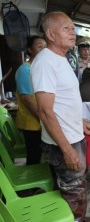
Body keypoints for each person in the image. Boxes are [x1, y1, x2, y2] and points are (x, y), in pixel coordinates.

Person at [31, 11, 90, 222]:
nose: (73, 33)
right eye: (66, 28)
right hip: (63, 142)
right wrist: (67, 149)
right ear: (51, 35)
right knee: (72, 192)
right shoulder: (45, 62)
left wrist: (79, 123)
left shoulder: (63, 59)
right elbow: (45, 111)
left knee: (77, 187)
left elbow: (63, 102)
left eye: (73, 28)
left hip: (72, 135)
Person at [15, 35, 47, 165]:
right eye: (39, 46)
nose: (43, 50)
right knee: (34, 156)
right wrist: (43, 118)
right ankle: (32, 184)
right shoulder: (25, 70)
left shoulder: (39, 68)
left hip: (39, 120)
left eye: (45, 47)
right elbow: (27, 99)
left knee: (41, 154)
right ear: (30, 50)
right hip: (32, 122)